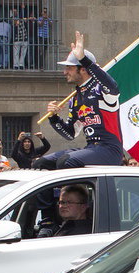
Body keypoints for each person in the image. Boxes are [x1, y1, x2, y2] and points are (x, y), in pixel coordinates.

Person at [37, 31, 125, 169]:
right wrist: (54, 118)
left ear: (83, 69)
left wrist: (83, 58)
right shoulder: (76, 97)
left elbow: (113, 87)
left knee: (66, 161)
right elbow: (70, 134)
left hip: (110, 150)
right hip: (90, 149)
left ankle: (76, 191)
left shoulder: (101, 89)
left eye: (69, 67)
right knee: (40, 163)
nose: (65, 72)